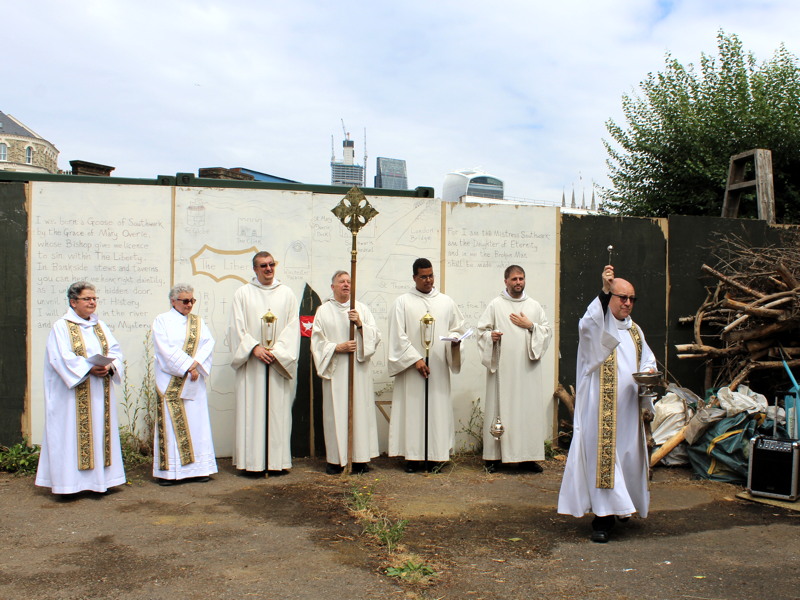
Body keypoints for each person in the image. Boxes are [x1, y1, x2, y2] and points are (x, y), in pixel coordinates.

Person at [558, 265, 656, 543]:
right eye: (621, 297)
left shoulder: (635, 331)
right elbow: (588, 324)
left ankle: (623, 507)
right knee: (605, 461)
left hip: (628, 410)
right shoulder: (599, 327)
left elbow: (647, 359)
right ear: (609, 298)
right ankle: (602, 517)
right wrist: (602, 290)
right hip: (601, 412)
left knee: (627, 458)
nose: (627, 303)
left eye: (632, 299)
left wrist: (649, 372)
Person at [35, 282, 126, 495]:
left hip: (99, 392)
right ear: (73, 302)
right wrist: (88, 368)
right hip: (71, 397)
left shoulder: (100, 326)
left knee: (99, 433)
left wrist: (109, 366)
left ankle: (100, 483)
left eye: (94, 298)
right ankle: (69, 485)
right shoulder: (61, 326)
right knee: (71, 436)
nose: (92, 302)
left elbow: (115, 351)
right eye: (87, 299)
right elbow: (60, 358)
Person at [388, 258, 467, 472]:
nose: (428, 280)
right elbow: (397, 336)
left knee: (436, 410)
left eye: (431, 275)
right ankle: (413, 457)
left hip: (438, 368)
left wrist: (455, 341)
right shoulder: (402, 302)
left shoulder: (446, 302)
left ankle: (436, 456)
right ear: (414, 277)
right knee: (414, 410)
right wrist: (416, 359)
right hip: (413, 369)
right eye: (423, 276)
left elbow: (457, 329)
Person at [229, 251, 300, 475]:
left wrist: (276, 352)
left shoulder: (287, 293)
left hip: (277, 362)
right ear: (255, 269)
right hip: (253, 363)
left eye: (271, 265)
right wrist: (254, 348)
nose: (268, 269)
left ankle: (276, 463)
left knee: (278, 413)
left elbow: (292, 328)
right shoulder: (243, 294)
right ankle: (253, 464)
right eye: (263, 266)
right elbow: (235, 327)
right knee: (253, 411)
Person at [477, 265, 552, 473]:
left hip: (528, 370)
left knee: (527, 411)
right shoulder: (495, 305)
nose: (518, 282)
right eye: (514, 279)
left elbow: (546, 332)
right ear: (506, 282)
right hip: (503, 369)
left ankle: (528, 458)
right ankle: (493, 458)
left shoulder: (534, 306)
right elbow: (481, 331)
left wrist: (531, 326)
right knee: (500, 409)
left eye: (521, 278)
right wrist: (490, 337)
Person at [311, 271, 381, 475]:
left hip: (357, 372)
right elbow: (316, 342)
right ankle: (336, 460)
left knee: (359, 411)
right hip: (336, 369)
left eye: (349, 281)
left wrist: (360, 325)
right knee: (335, 412)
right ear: (332, 286)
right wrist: (336, 348)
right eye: (341, 281)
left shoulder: (362, 309)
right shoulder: (323, 311)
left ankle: (359, 459)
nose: (346, 284)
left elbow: (375, 337)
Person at [151, 284, 217, 485]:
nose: (189, 305)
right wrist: (188, 366)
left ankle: (199, 469)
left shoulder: (198, 322)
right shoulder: (161, 321)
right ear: (173, 301)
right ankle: (170, 473)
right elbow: (165, 349)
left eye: (192, 301)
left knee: (197, 423)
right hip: (171, 380)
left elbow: (208, 344)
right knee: (171, 425)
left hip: (194, 380)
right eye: (185, 301)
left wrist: (195, 365)